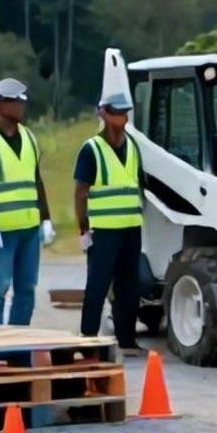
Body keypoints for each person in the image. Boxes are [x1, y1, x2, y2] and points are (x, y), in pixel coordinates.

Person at [0, 78, 55, 326]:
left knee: (26, 289)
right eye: (15, 101)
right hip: (0, 231)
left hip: (29, 230)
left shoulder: (29, 138)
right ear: (0, 105)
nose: (21, 106)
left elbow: (36, 181)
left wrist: (46, 218)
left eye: (22, 101)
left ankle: (18, 344)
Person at [74, 93, 145, 354]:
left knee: (129, 286)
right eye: (116, 113)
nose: (122, 118)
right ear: (103, 113)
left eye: (125, 113)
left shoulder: (132, 146)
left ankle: (126, 339)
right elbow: (80, 191)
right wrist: (83, 229)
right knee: (98, 284)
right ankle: (88, 338)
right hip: (103, 231)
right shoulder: (91, 149)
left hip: (130, 228)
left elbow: (139, 184)